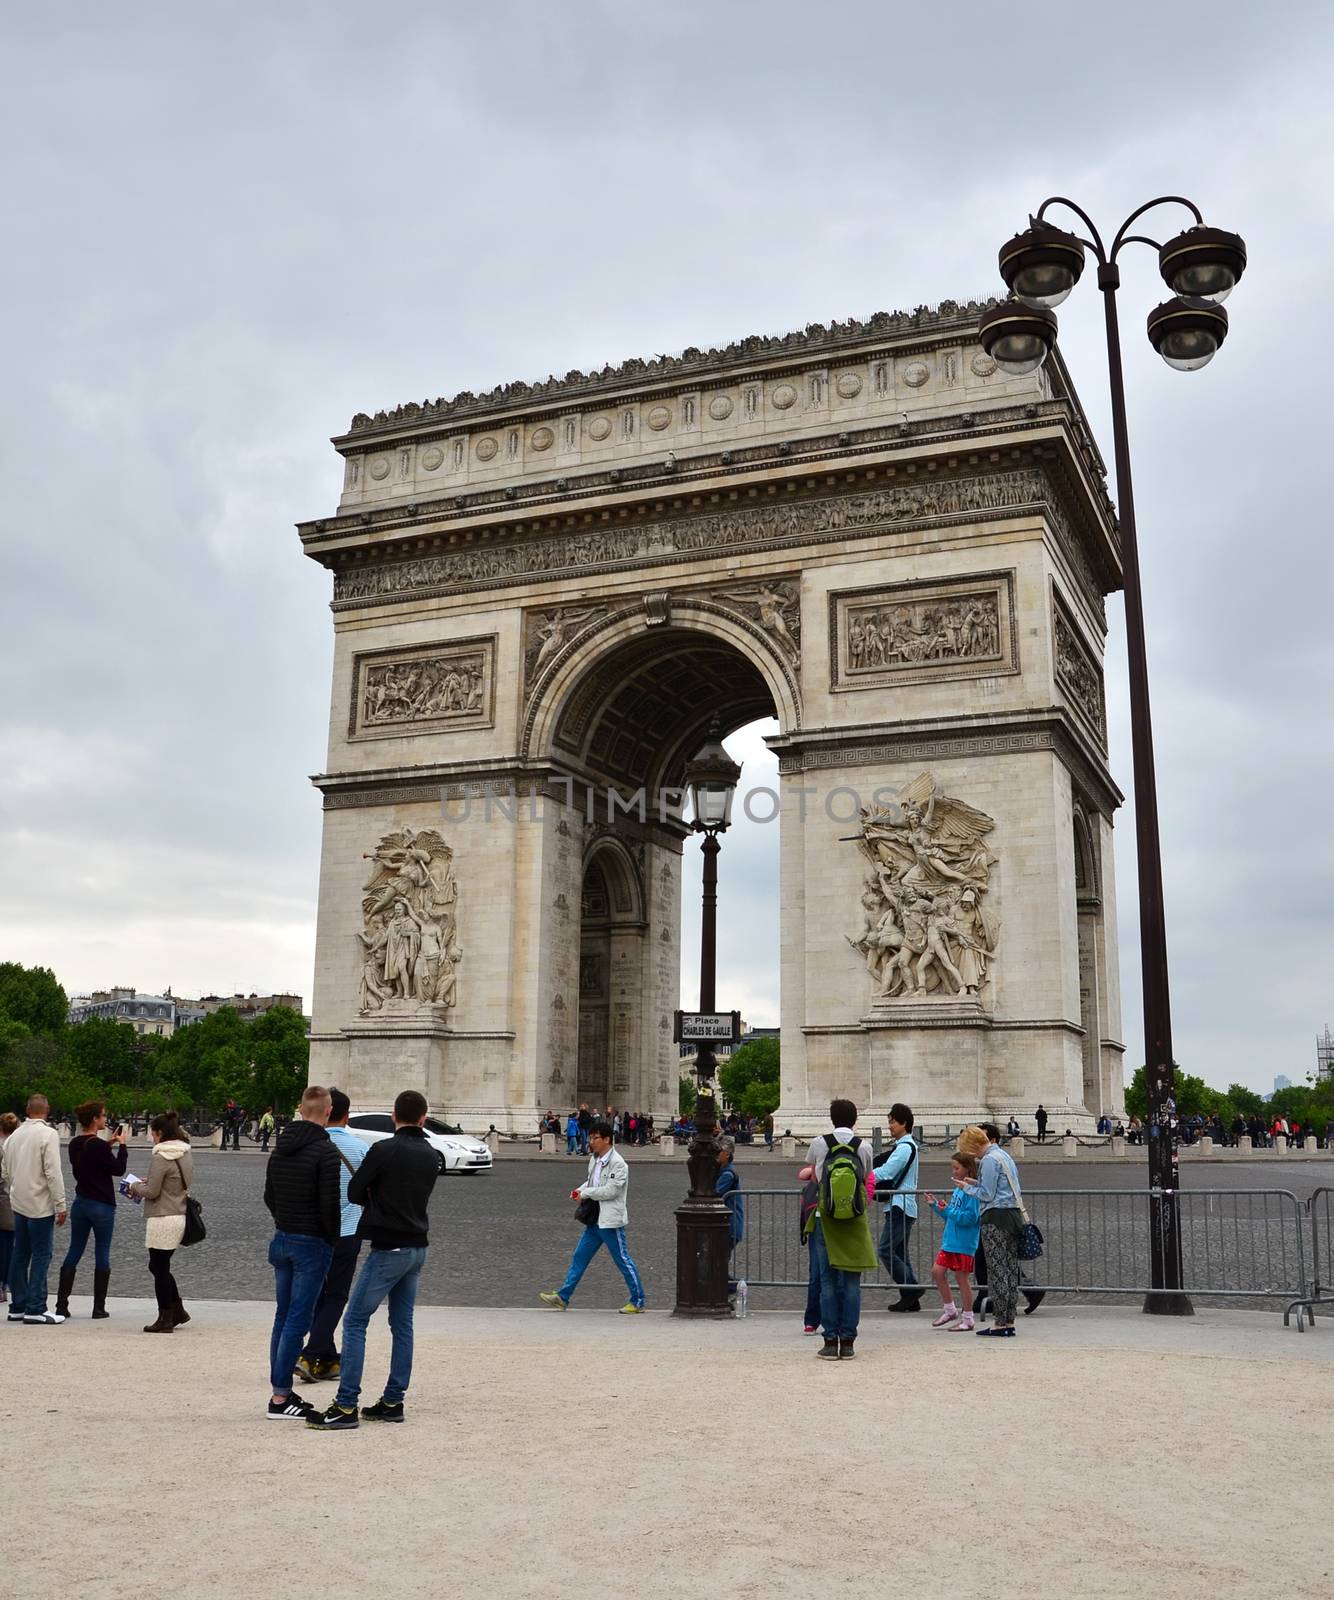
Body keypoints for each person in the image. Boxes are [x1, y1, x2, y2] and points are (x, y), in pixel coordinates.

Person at [307, 1089, 441, 1430]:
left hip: (389, 1248)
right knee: (402, 1325)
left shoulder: (383, 1150)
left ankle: (346, 1404)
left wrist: (376, 1195)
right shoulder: (430, 1154)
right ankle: (393, 1400)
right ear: (424, 1118)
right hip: (417, 1247)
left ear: (394, 1116)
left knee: (354, 1321)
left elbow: (354, 1192)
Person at [263, 1084, 340, 1420]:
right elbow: (330, 1205)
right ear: (327, 1110)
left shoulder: (280, 1148)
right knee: (298, 1319)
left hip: (282, 1237)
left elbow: (269, 1195)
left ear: (300, 1109)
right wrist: (331, 1239)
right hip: (311, 1243)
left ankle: (281, 1391)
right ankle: (280, 1400)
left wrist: (285, 1219)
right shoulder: (325, 1151)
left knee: (283, 1317)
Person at [295, 1087, 366, 1385]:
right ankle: (311, 1355)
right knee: (336, 1295)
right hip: (348, 1229)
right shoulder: (361, 1149)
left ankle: (330, 1358)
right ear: (346, 1116)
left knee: (317, 1295)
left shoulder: (310, 1146)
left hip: (313, 1230)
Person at [539, 1119, 645, 1313]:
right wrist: (579, 1190)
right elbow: (591, 1182)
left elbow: (611, 1191)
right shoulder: (595, 1159)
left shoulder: (619, 1164)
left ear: (607, 1139)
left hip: (610, 1221)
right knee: (579, 1257)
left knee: (623, 1261)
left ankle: (638, 1301)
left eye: (595, 1138)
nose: (591, 1141)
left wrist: (585, 1194)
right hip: (595, 1219)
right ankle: (563, 1297)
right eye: (590, 1137)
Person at [804, 1099, 877, 1359]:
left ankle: (829, 1340)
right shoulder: (864, 1147)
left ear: (832, 1118)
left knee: (827, 1281)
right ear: (855, 1119)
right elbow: (866, 1176)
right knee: (851, 1283)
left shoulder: (819, 1143)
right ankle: (848, 1342)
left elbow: (815, 1176)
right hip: (855, 1220)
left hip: (827, 1217)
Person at [56, 1101, 128, 1320]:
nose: (105, 1119)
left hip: (81, 1202)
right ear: (95, 1119)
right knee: (102, 1252)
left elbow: (92, 1154)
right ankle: (98, 1307)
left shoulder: (76, 1143)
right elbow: (118, 1169)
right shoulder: (97, 1145)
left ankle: (61, 1304)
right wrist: (122, 1146)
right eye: (103, 1116)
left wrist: (109, 1142)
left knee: (74, 1250)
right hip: (102, 1204)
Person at [2, 1093, 68, 1324]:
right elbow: (52, 1172)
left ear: (27, 1110)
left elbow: (5, 1171)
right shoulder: (48, 1134)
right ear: (47, 1110)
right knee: (42, 1254)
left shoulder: (13, 1136)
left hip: (18, 1202)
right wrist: (60, 1203)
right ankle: (36, 1306)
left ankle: (17, 1304)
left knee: (20, 1254)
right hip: (40, 1203)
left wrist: (15, 1189)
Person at [127, 1111, 194, 1333]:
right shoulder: (184, 1153)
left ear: (160, 1133)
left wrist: (134, 1185)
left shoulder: (161, 1156)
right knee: (159, 1265)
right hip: (179, 1213)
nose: (152, 1138)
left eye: (153, 1134)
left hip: (162, 1217)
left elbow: (152, 1191)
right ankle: (177, 1310)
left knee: (159, 1267)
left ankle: (166, 1316)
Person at [957, 1122, 1026, 1337]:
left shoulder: (988, 1160)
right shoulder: (1004, 1156)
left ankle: (1000, 1323)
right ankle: (1009, 1320)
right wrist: (976, 1182)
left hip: (995, 1218)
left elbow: (987, 1195)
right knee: (1010, 1271)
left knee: (997, 1272)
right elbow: (1001, 1187)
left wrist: (966, 1187)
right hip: (1013, 1216)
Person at [873, 1103, 923, 1312]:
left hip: (900, 1205)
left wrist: (862, 1178)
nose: (890, 1126)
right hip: (901, 1204)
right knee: (900, 1253)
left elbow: (887, 1172)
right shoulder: (905, 1146)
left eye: (892, 1121)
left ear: (904, 1123)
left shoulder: (904, 1147)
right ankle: (911, 1299)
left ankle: (912, 1289)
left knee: (885, 1250)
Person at [924, 1151, 982, 1331]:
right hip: (952, 1240)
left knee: (961, 1278)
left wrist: (947, 1211)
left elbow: (971, 1218)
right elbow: (953, 1216)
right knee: (937, 1272)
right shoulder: (959, 1189)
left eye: (957, 1168)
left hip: (963, 1242)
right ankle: (950, 1309)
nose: (954, 1171)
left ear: (968, 1169)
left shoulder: (971, 1193)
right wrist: (937, 1207)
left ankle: (968, 1317)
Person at [715, 1135, 745, 1293]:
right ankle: (734, 1289)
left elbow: (714, 1194)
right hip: (729, 1226)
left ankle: (736, 1289)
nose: (716, 1155)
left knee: (718, 1264)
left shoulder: (728, 1174)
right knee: (719, 1263)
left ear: (727, 1154)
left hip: (730, 1227)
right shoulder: (725, 1171)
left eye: (718, 1152)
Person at [0, 1111, 20, 1307]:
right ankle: (6, 1284)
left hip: (3, 1198)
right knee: (9, 1246)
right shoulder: (15, 1145)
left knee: (4, 1245)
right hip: (12, 1199)